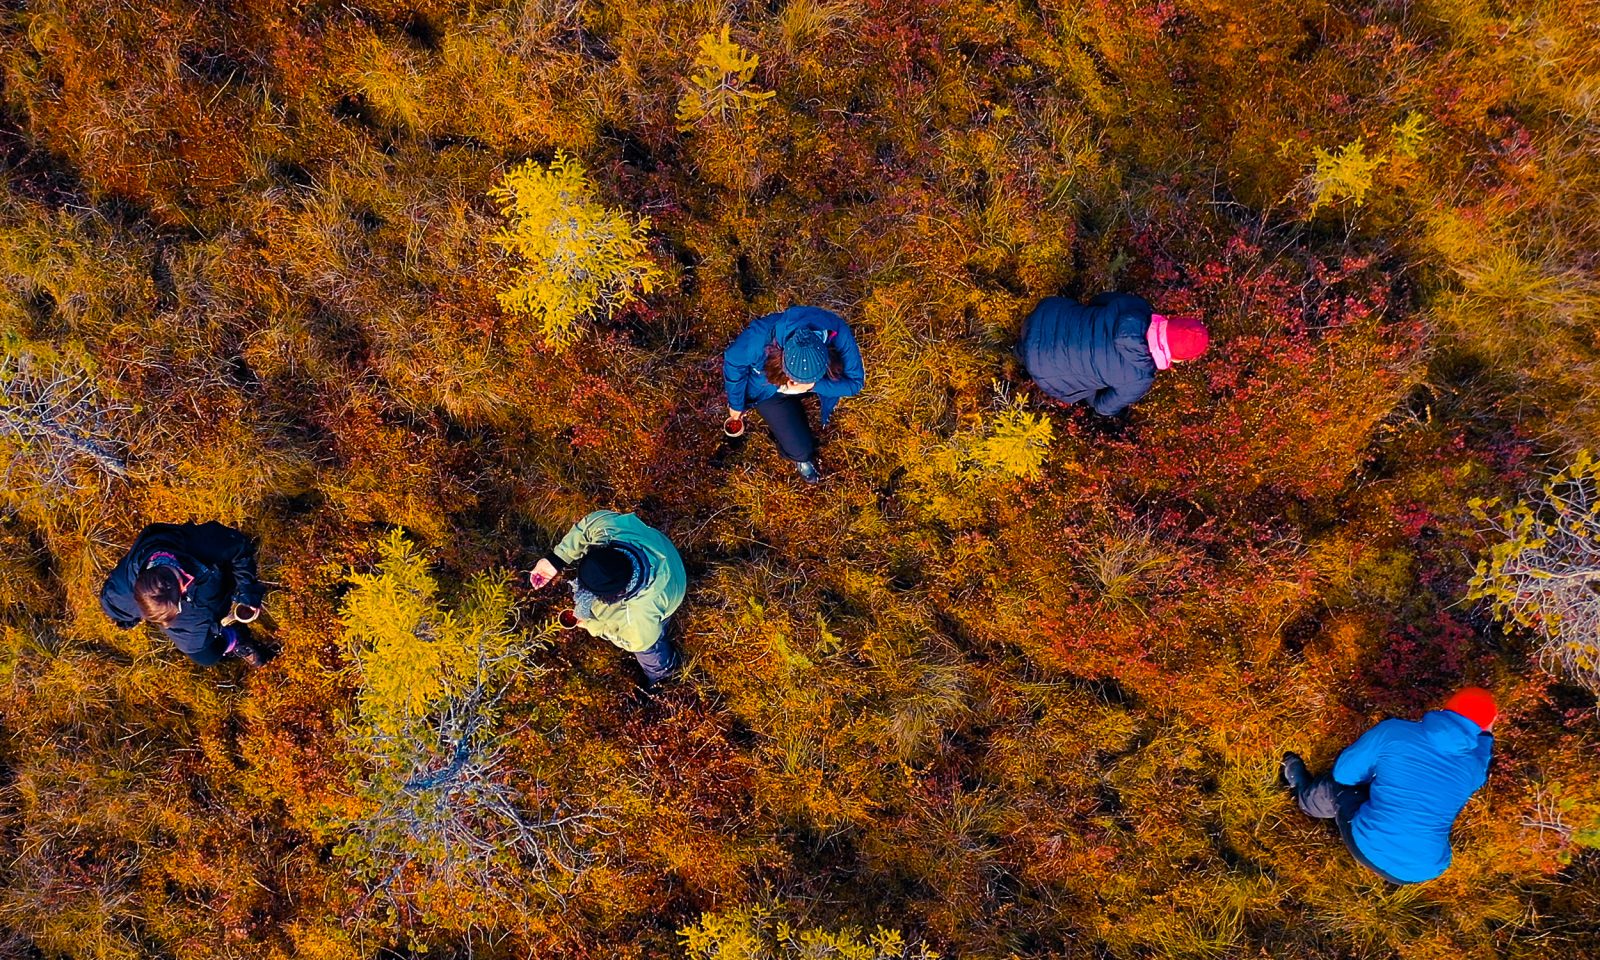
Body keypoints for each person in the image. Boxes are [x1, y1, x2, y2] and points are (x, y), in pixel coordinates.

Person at [1281, 687, 1498, 884]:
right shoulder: (1474, 770)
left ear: (1447, 706)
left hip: (1369, 844)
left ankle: (1305, 799)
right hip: (1425, 870)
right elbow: (1481, 753)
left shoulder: (1394, 732)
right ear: (1485, 727)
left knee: (1338, 787)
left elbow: (1344, 775)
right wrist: (1486, 733)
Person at [527, 510, 687, 686]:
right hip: (664, 550)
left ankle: (662, 674)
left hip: (673, 591)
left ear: (617, 594)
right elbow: (586, 527)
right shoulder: (608, 529)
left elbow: (637, 642)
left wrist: (591, 625)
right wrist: (555, 560)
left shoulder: (637, 614)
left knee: (650, 649)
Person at [722, 304, 865, 483]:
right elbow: (733, 361)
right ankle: (800, 456)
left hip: (810, 386)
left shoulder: (839, 333)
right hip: (769, 390)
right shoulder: (760, 339)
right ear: (781, 356)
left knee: (837, 377)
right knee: (801, 450)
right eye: (793, 376)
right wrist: (736, 404)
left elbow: (855, 383)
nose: (794, 383)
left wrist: (813, 386)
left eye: (804, 378)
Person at [100, 521, 269, 668]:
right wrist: (129, 621)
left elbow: (239, 547)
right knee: (206, 656)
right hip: (193, 617)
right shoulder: (120, 589)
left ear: (182, 586)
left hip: (219, 586)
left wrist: (247, 590)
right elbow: (115, 608)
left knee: (205, 651)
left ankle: (230, 633)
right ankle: (234, 638)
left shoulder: (201, 544)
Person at [1016, 292, 1208, 418]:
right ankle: (1016, 353)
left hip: (1046, 315)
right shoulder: (1139, 379)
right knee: (1087, 389)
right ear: (1178, 358)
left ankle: (1019, 344)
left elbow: (1097, 301)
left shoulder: (1137, 306)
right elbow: (1103, 407)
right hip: (1043, 367)